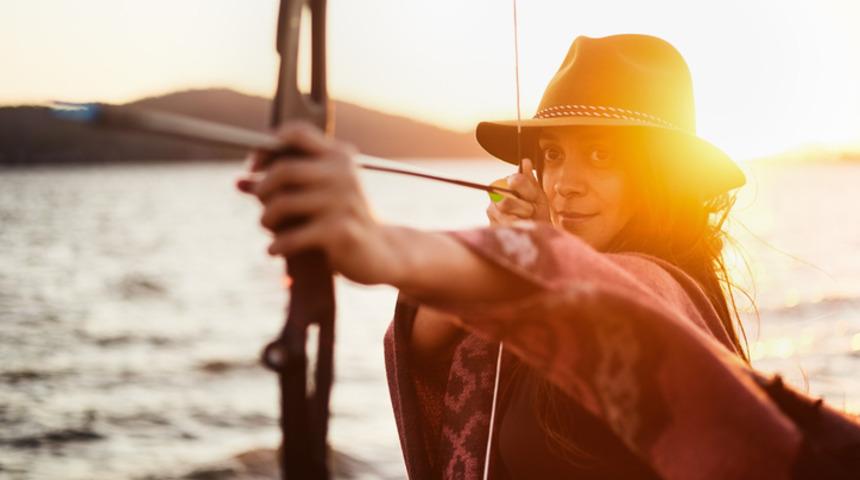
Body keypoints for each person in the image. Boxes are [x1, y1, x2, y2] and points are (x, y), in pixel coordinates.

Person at [237, 34, 860, 479]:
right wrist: (520, 256)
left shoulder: (660, 288)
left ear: (663, 176)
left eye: (602, 155)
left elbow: (606, 298)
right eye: (555, 155)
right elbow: (428, 346)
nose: (564, 184)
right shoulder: (553, 295)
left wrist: (379, 243)